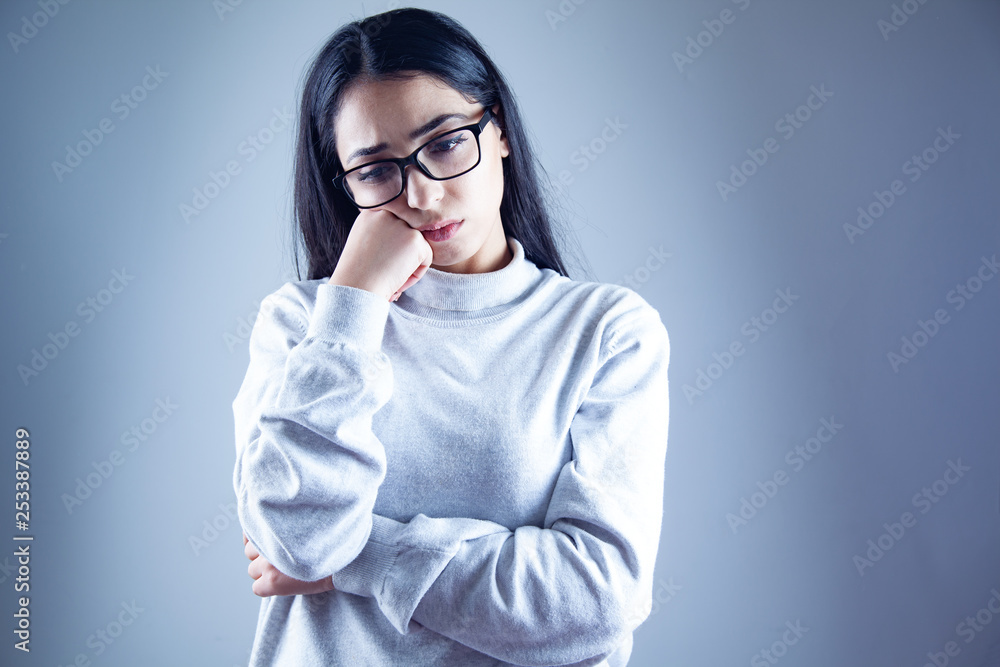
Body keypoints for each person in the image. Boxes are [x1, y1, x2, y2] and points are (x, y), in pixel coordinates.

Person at [232, 7, 670, 666]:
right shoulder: (302, 325)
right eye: (378, 169)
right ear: (344, 185)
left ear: (498, 132)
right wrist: (352, 301)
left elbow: (596, 602)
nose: (425, 194)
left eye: (444, 142)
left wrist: (354, 559)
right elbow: (297, 542)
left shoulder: (606, 331)